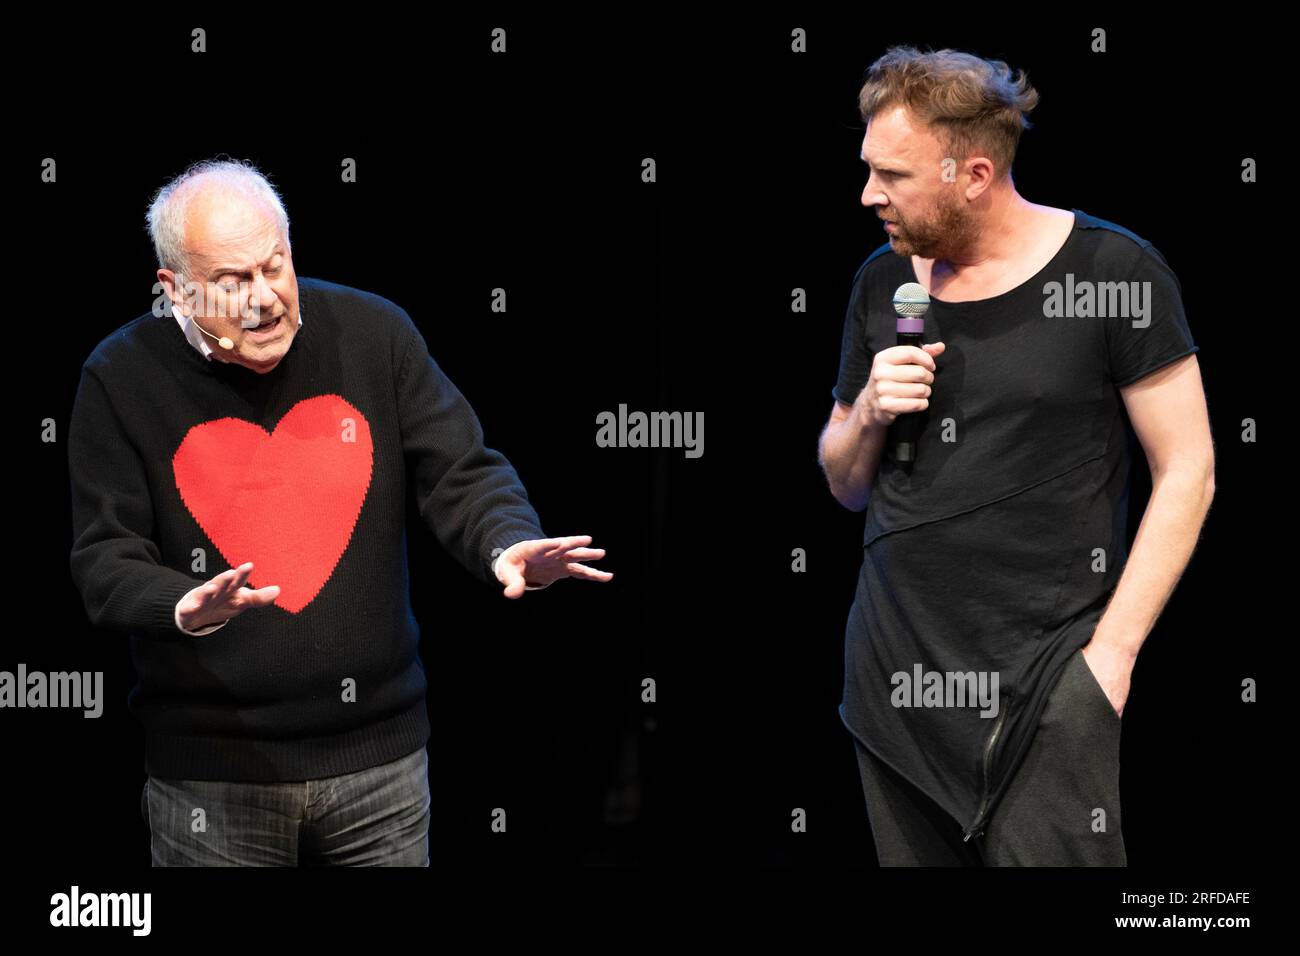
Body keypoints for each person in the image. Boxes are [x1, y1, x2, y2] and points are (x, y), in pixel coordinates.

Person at [67, 157, 613, 866]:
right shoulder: (120, 376)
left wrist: (505, 543)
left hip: (379, 764)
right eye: (234, 283)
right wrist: (182, 604)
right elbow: (104, 557)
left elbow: (460, 470)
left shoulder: (373, 332)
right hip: (214, 778)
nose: (265, 299)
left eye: (276, 266)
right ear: (174, 290)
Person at [818, 47, 1215, 866]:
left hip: (1045, 678)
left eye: (892, 175)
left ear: (972, 174)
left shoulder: (1113, 272)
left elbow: (1190, 470)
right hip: (898, 678)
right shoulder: (883, 285)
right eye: (868, 170)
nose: (868, 195)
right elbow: (845, 486)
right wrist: (866, 411)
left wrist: (1111, 658)